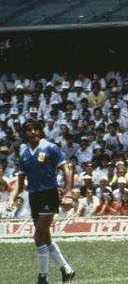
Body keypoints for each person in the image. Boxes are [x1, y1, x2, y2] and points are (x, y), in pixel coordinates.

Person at [6, 121, 76, 283]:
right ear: (25, 134)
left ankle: (43, 277)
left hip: (49, 195)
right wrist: (11, 198)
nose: (33, 131)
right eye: (29, 130)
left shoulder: (50, 147)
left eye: (36, 128)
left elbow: (67, 169)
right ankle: (67, 270)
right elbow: (20, 181)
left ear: (40, 131)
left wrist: (69, 192)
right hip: (34, 197)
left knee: (38, 236)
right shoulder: (24, 154)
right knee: (45, 237)